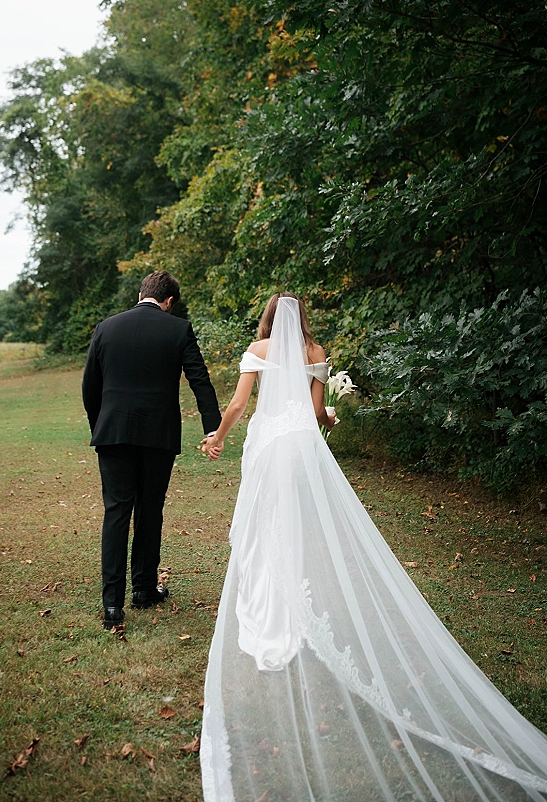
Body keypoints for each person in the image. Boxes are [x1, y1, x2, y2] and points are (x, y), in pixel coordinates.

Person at [200, 294, 547, 802]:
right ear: (303, 321)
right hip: (302, 448)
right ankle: (294, 611)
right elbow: (318, 413)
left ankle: (269, 610)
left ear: (270, 319)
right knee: (295, 527)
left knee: (263, 530)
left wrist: (218, 438)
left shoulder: (260, 348)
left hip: (270, 447)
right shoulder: (316, 350)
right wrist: (333, 420)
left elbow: (236, 405)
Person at [82, 270, 221, 630]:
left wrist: (101, 424)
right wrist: (213, 428)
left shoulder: (106, 327)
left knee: (116, 513)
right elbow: (199, 379)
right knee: (150, 509)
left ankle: (112, 605)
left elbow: (90, 385)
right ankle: (143, 590)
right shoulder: (177, 329)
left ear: (141, 293)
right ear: (169, 301)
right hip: (158, 434)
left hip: (112, 432)